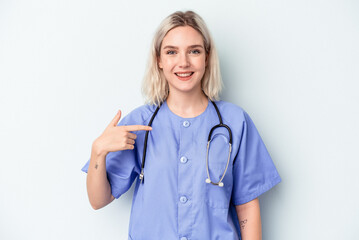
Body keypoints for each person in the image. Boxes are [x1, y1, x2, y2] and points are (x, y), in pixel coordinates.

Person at [81, 10, 281, 240]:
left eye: (194, 51)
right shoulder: (139, 124)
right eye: (171, 52)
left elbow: (247, 206)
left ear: (207, 57)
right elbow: (98, 201)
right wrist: (98, 152)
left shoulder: (235, 122)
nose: (183, 62)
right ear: (159, 60)